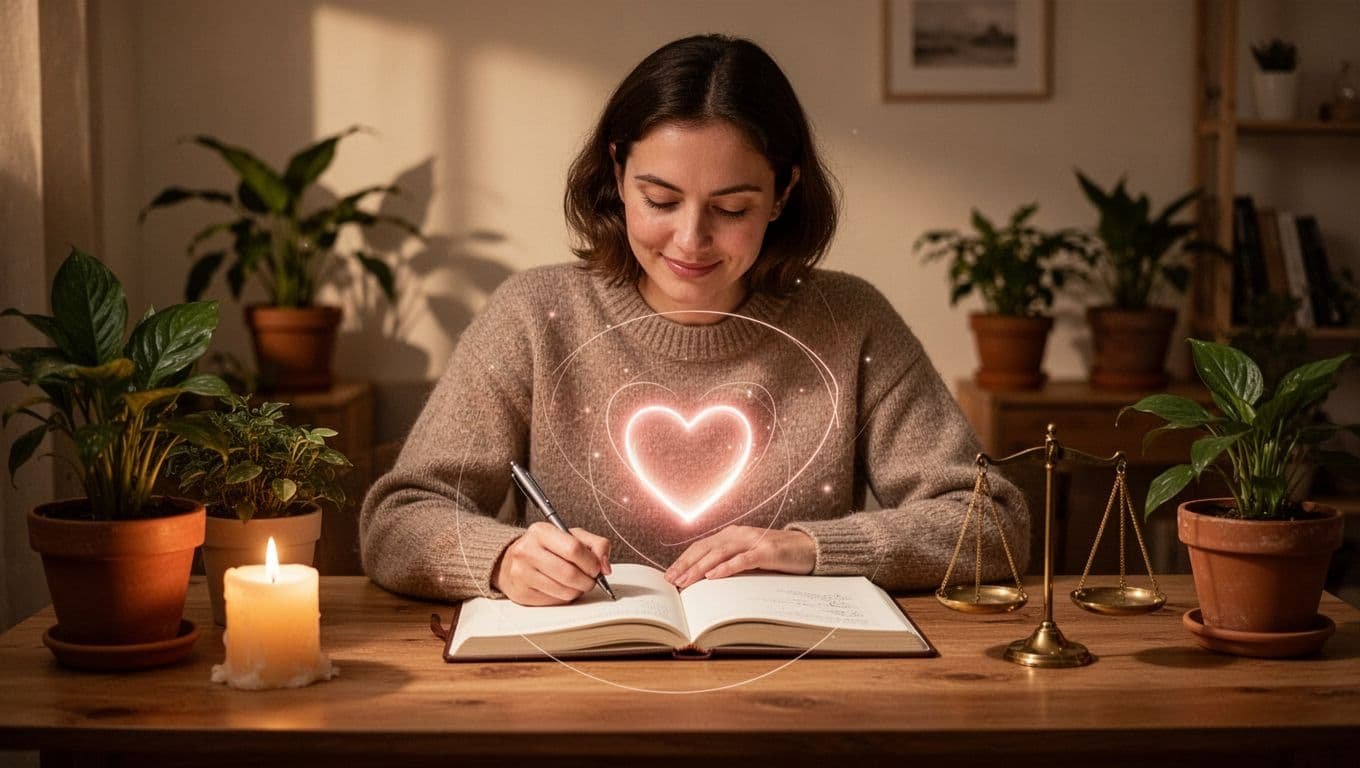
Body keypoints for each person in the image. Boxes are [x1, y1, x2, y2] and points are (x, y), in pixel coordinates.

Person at [361, 34, 1028, 607]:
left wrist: (812, 547)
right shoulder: (534, 316)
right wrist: (502, 559)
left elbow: (992, 520)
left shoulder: (849, 319)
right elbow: (397, 518)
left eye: (731, 209)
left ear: (783, 194)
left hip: (800, 689)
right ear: (618, 174)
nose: (690, 239)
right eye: (661, 199)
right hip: (570, 689)